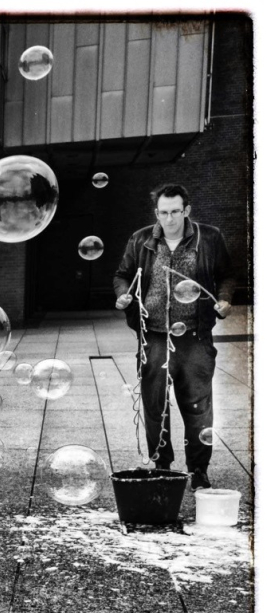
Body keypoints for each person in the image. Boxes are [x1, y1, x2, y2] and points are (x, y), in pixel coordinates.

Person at [113, 183, 235, 490]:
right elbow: (122, 275)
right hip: (152, 337)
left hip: (194, 337)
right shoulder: (141, 239)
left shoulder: (209, 237)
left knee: (198, 407)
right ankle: (162, 464)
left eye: (175, 212)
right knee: (155, 405)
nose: (169, 219)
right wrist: (123, 295)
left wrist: (225, 299)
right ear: (157, 213)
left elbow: (226, 275)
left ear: (187, 210)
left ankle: (199, 470)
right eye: (163, 213)